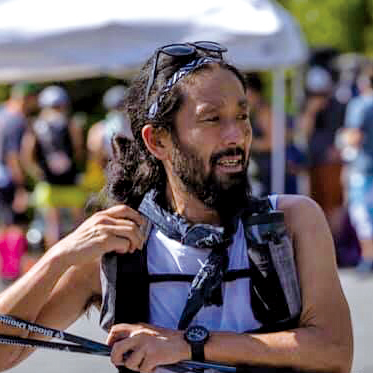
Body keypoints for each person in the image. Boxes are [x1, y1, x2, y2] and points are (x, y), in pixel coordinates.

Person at [0, 42, 352, 373]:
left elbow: (335, 351)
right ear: (158, 141)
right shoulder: (121, 246)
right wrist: (58, 256)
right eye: (212, 119)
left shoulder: (292, 221)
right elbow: (5, 351)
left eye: (242, 117)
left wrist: (188, 345)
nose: (236, 136)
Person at [21, 85, 86, 249]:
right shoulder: (71, 124)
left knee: (53, 225)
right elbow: (78, 150)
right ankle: (81, 263)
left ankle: (55, 265)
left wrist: (38, 174)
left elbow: (26, 155)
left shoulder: (36, 126)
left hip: (48, 183)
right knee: (79, 224)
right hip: (70, 181)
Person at [298, 66, 346, 236]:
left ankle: (336, 244)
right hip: (313, 163)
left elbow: (345, 131)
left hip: (331, 164)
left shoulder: (339, 106)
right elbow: (303, 133)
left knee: (333, 206)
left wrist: (338, 149)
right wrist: (311, 111)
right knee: (315, 205)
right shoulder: (308, 106)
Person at [0, 82, 39, 282]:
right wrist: (20, 188)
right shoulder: (16, 120)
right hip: (8, 180)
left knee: (5, 225)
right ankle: (11, 274)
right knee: (16, 225)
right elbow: (13, 156)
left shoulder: (2, 115)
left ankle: (6, 271)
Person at [336, 68, 373, 272]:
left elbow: (354, 137)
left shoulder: (361, 104)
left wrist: (341, 138)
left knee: (363, 216)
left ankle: (368, 258)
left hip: (364, 168)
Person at [82, 85, 133, 194]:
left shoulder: (98, 129)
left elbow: (95, 156)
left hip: (111, 175)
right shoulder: (136, 126)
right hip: (130, 175)